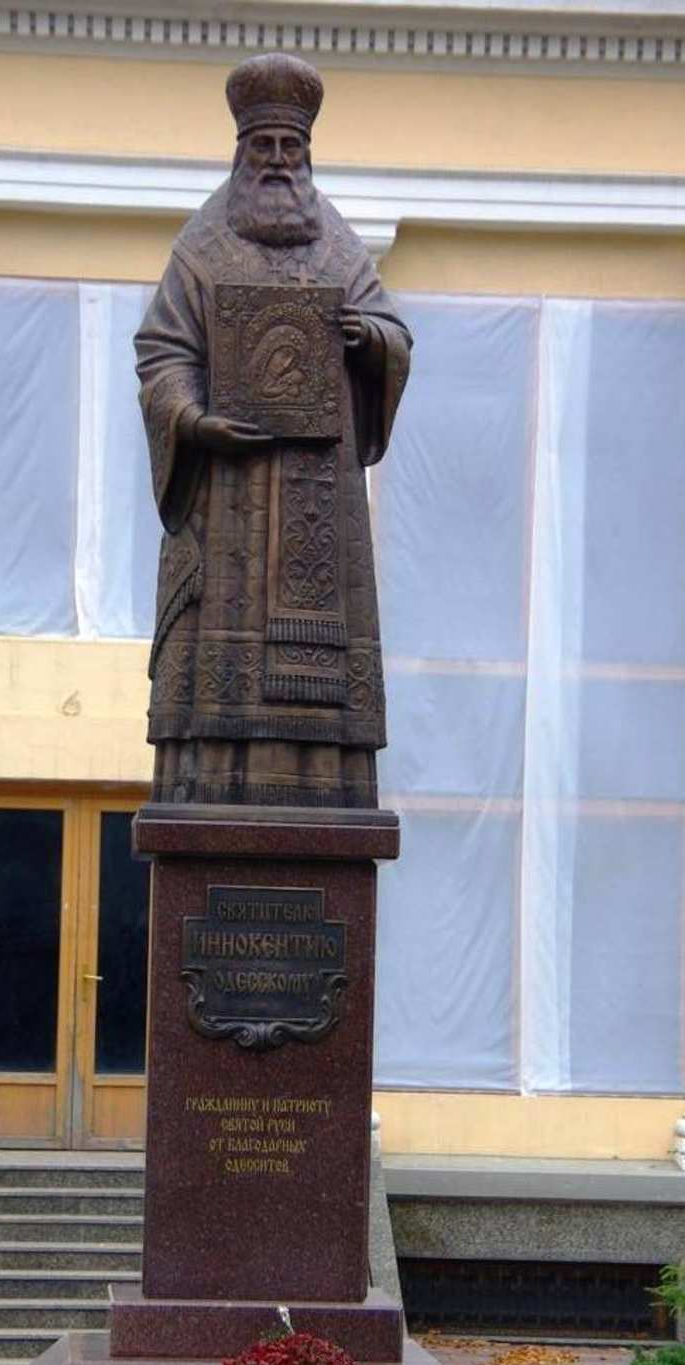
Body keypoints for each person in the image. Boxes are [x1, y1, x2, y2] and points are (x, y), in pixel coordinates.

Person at [136, 51, 411, 808]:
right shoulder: (201, 248)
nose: (280, 160)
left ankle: (317, 790)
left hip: (319, 507)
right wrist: (195, 421)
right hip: (225, 497)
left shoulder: (340, 248)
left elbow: (393, 333)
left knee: (323, 671)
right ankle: (214, 783)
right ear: (242, 153)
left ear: (307, 155)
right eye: (265, 146)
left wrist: (367, 337)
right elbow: (161, 351)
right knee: (217, 672)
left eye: (292, 147)